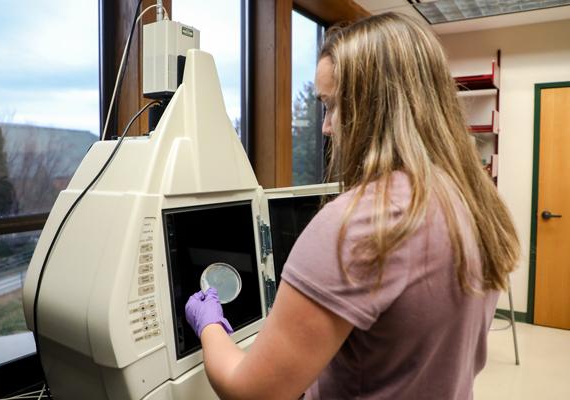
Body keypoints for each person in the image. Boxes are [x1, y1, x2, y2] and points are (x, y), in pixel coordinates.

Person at [185, 12, 519, 400]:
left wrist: (210, 324)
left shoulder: (357, 225)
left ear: (374, 105)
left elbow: (251, 391)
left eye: (331, 105)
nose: (326, 126)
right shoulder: (473, 201)